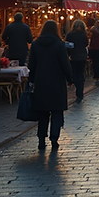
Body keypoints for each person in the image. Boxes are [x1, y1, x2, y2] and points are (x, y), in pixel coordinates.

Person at [29, 20, 74, 149]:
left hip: (41, 82)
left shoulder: (35, 44)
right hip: (57, 82)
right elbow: (65, 63)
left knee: (43, 113)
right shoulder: (59, 45)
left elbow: (31, 65)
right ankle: (54, 139)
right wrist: (70, 79)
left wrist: (31, 80)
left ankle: (41, 139)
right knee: (57, 112)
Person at [65, 19, 89, 103]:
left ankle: (77, 87)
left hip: (74, 56)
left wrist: (69, 54)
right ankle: (80, 93)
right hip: (82, 56)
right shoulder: (84, 34)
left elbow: (67, 45)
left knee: (75, 73)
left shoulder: (70, 35)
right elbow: (86, 44)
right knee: (80, 73)